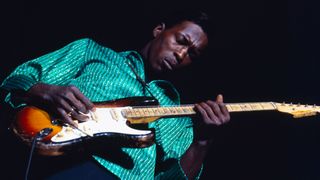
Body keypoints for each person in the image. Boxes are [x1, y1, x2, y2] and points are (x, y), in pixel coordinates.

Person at [1, 10, 230, 179]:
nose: (181, 54)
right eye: (181, 41)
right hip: (69, 164)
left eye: (192, 54)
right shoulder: (91, 51)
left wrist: (203, 140)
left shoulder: (178, 114)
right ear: (159, 30)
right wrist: (45, 91)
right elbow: (16, 80)